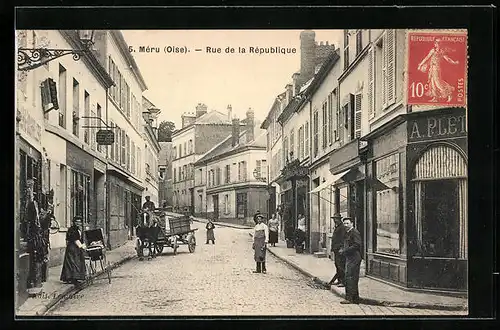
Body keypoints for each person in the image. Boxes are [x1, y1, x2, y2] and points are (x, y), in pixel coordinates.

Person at [25, 179, 49, 295]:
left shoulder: (35, 205)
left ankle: (37, 283)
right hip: (34, 238)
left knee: (38, 260)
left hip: (37, 238)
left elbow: (41, 223)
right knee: (35, 260)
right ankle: (34, 284)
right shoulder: (31, 204)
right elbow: (31, 220)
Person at [417, 38, 460, 103]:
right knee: (432, 82)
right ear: (435, 44)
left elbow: (447, 59)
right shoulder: (432, 51)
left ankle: (449, 94)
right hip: (431, 68)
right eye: (437, 43)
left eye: (440, 43)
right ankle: (435, 97)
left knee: (438, 82)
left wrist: (454, 62)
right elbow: (426, 58)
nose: (439, 44)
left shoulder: (442, 51)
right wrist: (420, 64)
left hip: (436, 68)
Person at [339, 217, 362, 304]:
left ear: (352, 224)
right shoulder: (348, 232)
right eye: (344, 223)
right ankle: (355, 298)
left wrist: (345, 250)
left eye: (347, 223)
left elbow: (357, 244)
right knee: (351, 277)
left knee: (350, 277)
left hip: (354, 258)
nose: (345, 225)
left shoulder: (354, 232)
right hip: (350, 257)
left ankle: (349, 298)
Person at [60, 216, 87, 285]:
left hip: (75, 247)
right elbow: (75, 239)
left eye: (79, 222)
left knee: (75, 262)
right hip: (72, 248)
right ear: (74, 222)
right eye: (76, 222)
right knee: (73, 262)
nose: (78, 223)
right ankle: (71, 278)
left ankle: (74, 277)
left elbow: (79, 239)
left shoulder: (78, 229)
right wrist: (81, 246)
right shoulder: (72, 230)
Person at [328, 214, 346, 287]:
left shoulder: (342, 227)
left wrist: (342, 248)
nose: (335, 220)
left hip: (339, 249)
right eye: (334, 219)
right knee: (337, 265)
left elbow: (343, 239)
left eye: (336, 219)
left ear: (339, 219)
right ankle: (339, 280)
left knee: (341, 265)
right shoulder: (337, 227)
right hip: (336, 249)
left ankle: (343, 282)